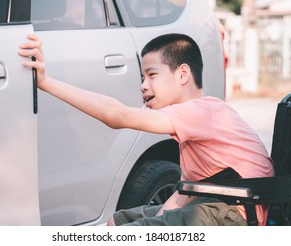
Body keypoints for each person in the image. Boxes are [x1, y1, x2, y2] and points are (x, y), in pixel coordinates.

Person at [18, 33, 274, 226]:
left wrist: (46, 82)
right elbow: (185, 192)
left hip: (234, 214)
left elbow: (117, 115)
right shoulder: (198, 117)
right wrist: (161, 218)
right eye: (142, 77)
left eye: (152, 75)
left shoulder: (201, 112)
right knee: (116, 223)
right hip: (217, 204)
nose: (143, 85)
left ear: (182, 74)